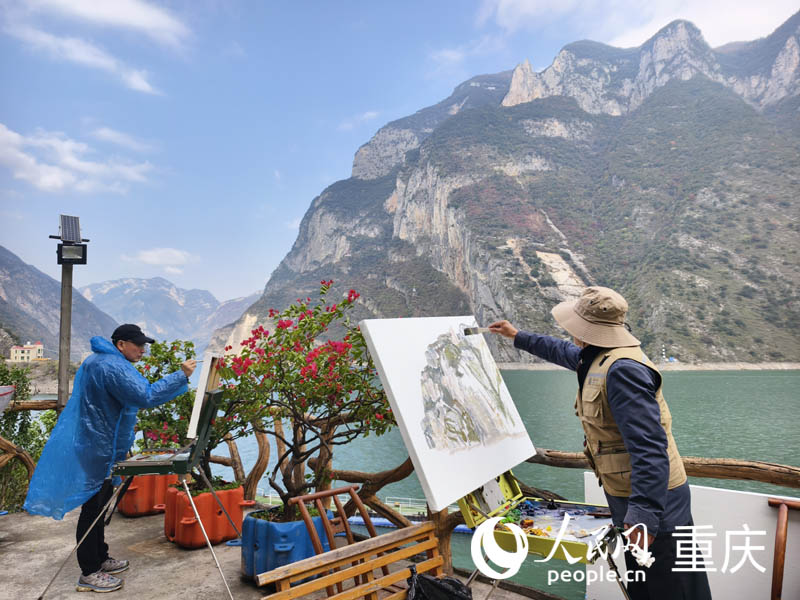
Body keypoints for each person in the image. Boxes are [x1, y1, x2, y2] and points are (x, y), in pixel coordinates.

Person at [489, 286, 711, 600]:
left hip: (656, 506)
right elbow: (559, 350)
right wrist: (517, 335)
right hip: (633, 497)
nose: (571, 333)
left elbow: (650, 448)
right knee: (645, 586)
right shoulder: (596, 357)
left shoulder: (623, 371)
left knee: (672, 588)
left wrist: (644, 518)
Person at [24, 324, 196, 593]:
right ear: (120, 344)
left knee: (101, 504)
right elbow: (145, 396)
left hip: (98, 445)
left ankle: (100, 557)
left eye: (144, 344)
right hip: (97, 447)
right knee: (93, 508)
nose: (142, 349)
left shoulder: (106, 361)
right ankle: (89, 572)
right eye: (137, 344)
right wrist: (181, 375)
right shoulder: (110, 365)